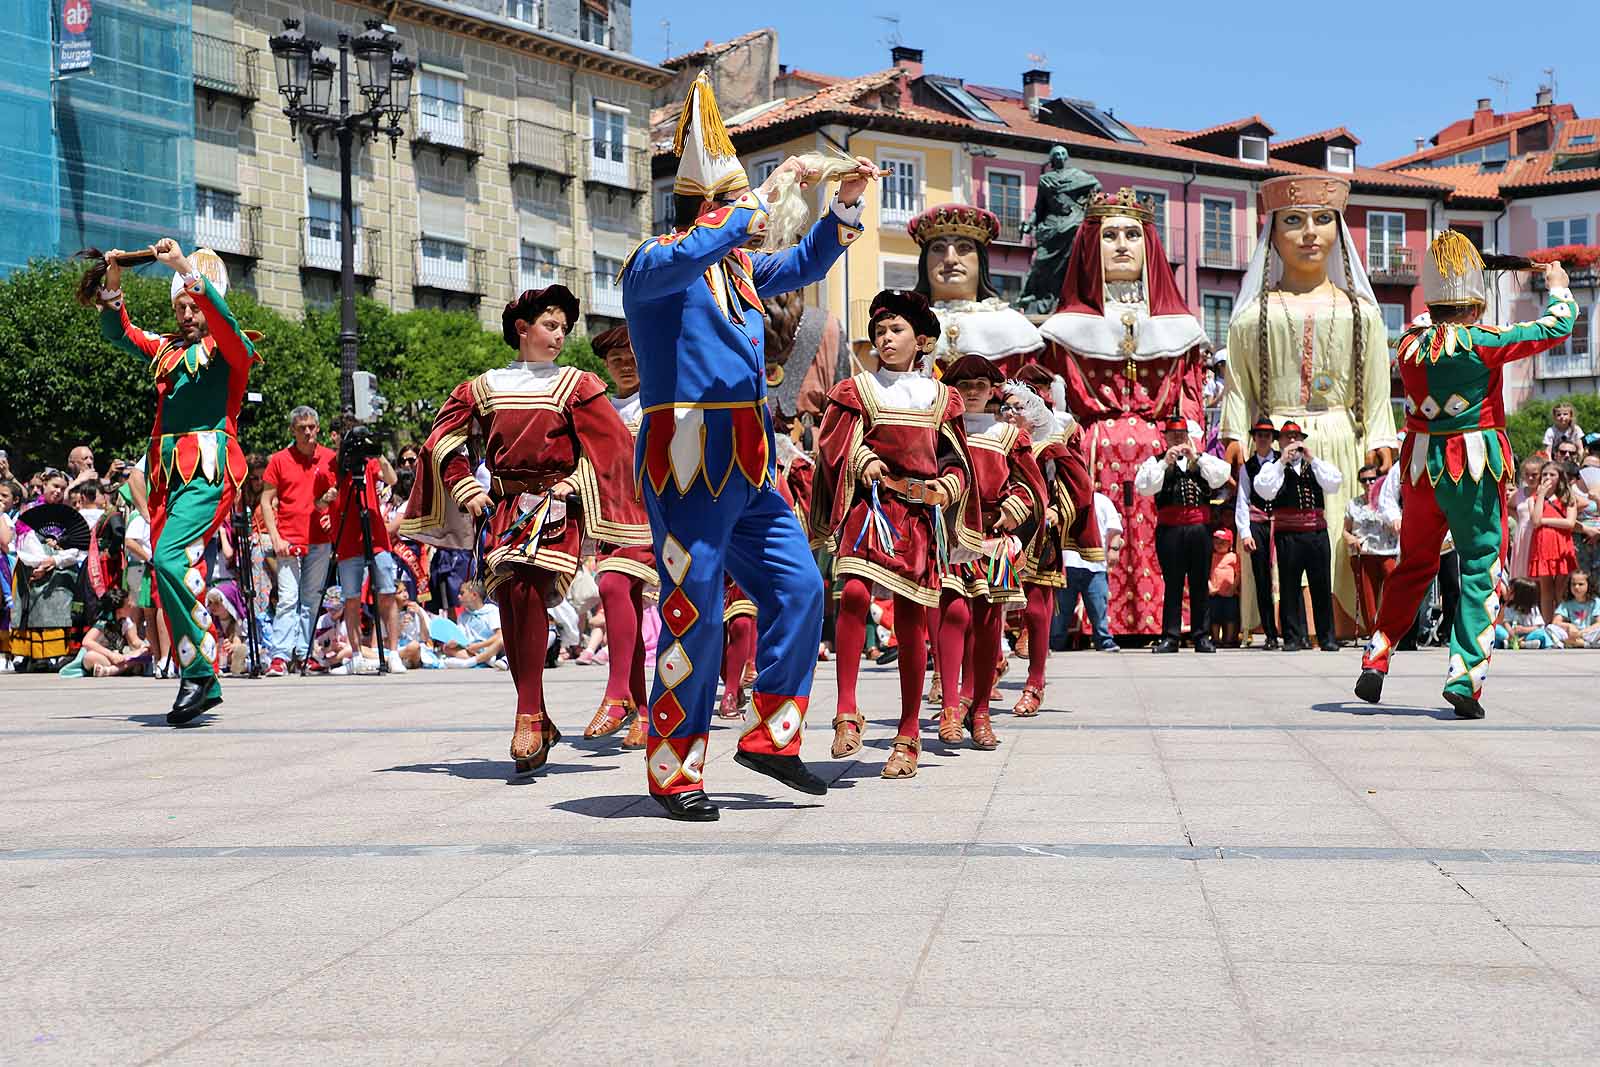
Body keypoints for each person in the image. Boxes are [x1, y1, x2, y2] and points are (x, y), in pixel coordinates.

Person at [620, 73, 873, 820]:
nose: (753, 222)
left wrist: (845, 203)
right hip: (687, 458)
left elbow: (805, 263)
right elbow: (705, 244)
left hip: (750, 460)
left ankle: (769, 736)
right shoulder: (652, 267)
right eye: (735, 205)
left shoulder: (738, 271)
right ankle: (675, 770)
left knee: (799, 589)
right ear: (709, 208)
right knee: (692, 613)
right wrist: (768, 191)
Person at [403, 285, 648, 773]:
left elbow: (615, 448)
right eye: (550, 326)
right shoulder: (483, 387)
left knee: (529, 590)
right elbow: (442, 442)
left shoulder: (576, 385)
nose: (559, 336)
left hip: (556, 507)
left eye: (563, 328)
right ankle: (537, 717)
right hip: (503, 506)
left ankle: (526, 714)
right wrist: (464, 488)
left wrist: (576, 483)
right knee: (513, 603)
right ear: (522, 329)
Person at [1357, 235, 1577, 718]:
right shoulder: (1483, 342)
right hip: (1472, 467)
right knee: (1480, 567)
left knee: (1414, 564)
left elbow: (1429, 322)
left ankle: (1376, 655)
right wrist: (1559, 287)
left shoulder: (1409, 345)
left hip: (1419, 468)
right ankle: (1464, 675)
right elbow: (1556, 326)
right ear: (1475, 302)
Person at [811, 290, 981, 780]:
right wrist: (862, 461)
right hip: (872, 506)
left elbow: (955, 458)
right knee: (855, 595)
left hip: (919, 515)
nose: (886, 339)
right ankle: (846, 709)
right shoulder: (856, 390)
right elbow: (835, 444)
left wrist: (948, 487)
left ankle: (909, 733)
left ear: (921, 340)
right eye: (880, 331)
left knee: (911, 619)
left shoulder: (942, 398)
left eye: (897, 331)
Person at [1220, 176, 1398, 639]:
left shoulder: (1364, 312)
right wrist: (1236, 434)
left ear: (1337, 230)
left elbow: (1378, 388)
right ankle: (1286, 624)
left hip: (1343, 438)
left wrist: (1381, 436)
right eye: (1294, 221)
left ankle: (1341, 621)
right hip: (1277, 440)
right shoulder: (1251, 315)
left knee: (1340, 540)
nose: (1309, 233)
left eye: (1322, 220)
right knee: (1282, 544)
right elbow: (1238, 387)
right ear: (1274, 235)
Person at [91, 240, 258, 723]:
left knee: (165, 559)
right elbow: (116, 330)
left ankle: (200, 673)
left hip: (207, 468)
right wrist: (116, 274)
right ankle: (199, 671)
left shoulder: (230, 349)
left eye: (193, 305)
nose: (187, 313)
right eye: (180, 306)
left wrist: (185, 267)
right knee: (172, 577)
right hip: (168, 477)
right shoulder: (166, 350)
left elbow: (223, 322)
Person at [1039, 188, 1210, 637]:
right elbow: (1054, 400)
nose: (1121, 245)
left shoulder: (1181, 330)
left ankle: (1168, 622)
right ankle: (1096, 623)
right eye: (1109, 235)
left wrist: (1186, 443)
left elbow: (1189, 394)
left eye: (1132, 234)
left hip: (1161, 449)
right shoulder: (1063, 330)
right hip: (1092, 452)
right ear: (1091, 247)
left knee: (1163, 534)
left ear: (1148, 245)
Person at [935, 356, 1046, 749]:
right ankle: (950, 706)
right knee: (953, 613)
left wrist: (1014, 508)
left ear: (992, 389)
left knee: (988, 624)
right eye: (964, 385)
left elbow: (1031, 486)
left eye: (980, 384)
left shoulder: (1008, 436)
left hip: (996, 543)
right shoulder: (942, 433)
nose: (972, 391)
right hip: (951, 540)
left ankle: (979, 711)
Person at [1001, 375, 1093, 713]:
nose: (1010, 413)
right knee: (987, 607)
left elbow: (1080, 488)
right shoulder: (995, 441)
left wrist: (1056, 511)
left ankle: (1034, 683)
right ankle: (979, 681)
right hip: (1000, 535)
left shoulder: (1050, 447)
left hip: (1039, 538)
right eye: (1005, 407)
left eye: (1017, 408)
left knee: (1038, 612)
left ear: (1034, 413)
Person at [581, 324, 652, 750]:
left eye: (631, 357)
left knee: (613, 586)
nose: (625, 366)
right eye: (615, 360)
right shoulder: (600, 409)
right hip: (612, 521)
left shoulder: (662, 401)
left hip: (655, 518)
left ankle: (618, 693)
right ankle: (641, 712)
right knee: (624, 608)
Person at [909, 204, 1044, 375]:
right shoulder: (905, 327)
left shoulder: (1013, 327)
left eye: (964, 248)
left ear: (981, 261)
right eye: (938, 248)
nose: (950, 259)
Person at [1134, 415, 1230, 652]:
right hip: (1170, 530)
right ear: (1165, 438)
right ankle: (1170, 636)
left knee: (1199, 583)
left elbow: (1220, 477)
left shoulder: (1202, 460)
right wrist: (1165, 462)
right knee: (1173, 583)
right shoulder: (1156, 462)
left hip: (1199, 529)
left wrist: (1196, 457)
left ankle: (1202, 636)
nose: (1178, 439)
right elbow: (1145, 486)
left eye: (1181, 435)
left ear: (1188, 436)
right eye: (1173, 435)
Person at [1252, 422, 1344, 651]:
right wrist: (1282, 461)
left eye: (1296, 437)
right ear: (1280, 442)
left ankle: (1327, 638)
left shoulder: (1315, 465)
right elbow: (1264, 490)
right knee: (1289, 587)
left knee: (1321, 586)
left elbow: (1334, 483)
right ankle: (1292, 638)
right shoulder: (1273, 467)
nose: (1292, 442)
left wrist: (1312, 459)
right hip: (1288, 535)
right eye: (1287, 438)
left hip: (1316, 533)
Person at [261, 407, 334, 676]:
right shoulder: (279, 460)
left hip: (319, 538)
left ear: (318, 428)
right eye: (302, 427)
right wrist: (275, 537)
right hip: (289, 537)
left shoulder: (329, 458)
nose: (307, 432)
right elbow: (266, 501)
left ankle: (304, 653)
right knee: (288, 598)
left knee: (312, 598)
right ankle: (280, 656)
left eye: (312, 426)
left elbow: (337, 498)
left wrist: (331, 514)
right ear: (293, 430)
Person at [327, 439, 404, 675]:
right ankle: (356, 655)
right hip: (348, 543)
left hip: (377, 539)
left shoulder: (367, 463)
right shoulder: (333, 465)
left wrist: (378, 453)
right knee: (351, 599)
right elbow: (321, 500)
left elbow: (391, 480)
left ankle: (393, 654)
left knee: (387, 595)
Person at [1054, 489, 1123, 652]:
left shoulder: (1102, 500)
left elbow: (1114, 527)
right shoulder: (1063, 499)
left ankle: (1104, 640)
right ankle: (1055, 641)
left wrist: (1114, 549)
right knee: (1062, 609)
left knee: (1099, 606)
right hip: (1067, 562)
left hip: (1095, 564)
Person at [1234, 416, 1281, 648]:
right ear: (1254, 438)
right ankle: (1270, 633)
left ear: (1273, 439)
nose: (1264, 439)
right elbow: (1242, 499)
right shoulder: (1248, 467)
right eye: (1260, 435)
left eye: (1268, 436)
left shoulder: (1282, 462)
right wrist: (1245, 532)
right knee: (1262, 579)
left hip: (1281, 523)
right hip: (1258, 522)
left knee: (1287, 578)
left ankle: (1292, 631)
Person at [1344, 463, 1398, 639]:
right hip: (1364, 553)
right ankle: (1373, 632)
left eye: (1372, 479)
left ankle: (1392, 629)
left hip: (1388, 552)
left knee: (1396, 590)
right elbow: (1345, 530)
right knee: (1368, 598)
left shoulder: (1388, 501)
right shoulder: (1354, 504)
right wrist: (1350, 538)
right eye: (1364, 480)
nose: (1369, 483)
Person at [1529, 460, 1580, 625]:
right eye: (1545, 474)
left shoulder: (1567, 497)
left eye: (1552, 474)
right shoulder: (1535, 498)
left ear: (1560, 477)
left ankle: (1560, 623)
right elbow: (1535, 520)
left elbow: (1570, 523)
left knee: (1560, 588)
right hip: (1542, 545)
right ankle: (1548, 625)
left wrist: (1544, 520)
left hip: (1561, 544)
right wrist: (1541, 495)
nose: (1548, 477)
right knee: (1545, 588)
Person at [1495, 578, 1554, 649]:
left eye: (1511, 591)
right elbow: (1505, 622)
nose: (1509, 591)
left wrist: (1523, 629)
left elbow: (1539, 627)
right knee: (1496, 629)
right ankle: (1513, 642)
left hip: (1527, 636)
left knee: (1540, 633)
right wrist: (1510, 631)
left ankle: (1523, 644)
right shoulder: (1509, 607)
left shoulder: (1533, 609)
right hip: (1510, 635)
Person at [1549, 571, 1600, 648]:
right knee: (1550, 628)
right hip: (1572, 634)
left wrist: (1582, 632)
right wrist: (1569, 626)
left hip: (1588, 633)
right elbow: (1555, 622)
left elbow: (1599, 623)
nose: (1576, 587)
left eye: (1580, 584)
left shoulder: (1595, 602)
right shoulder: (1566, 603)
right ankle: (1566, 643)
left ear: (1588, 585)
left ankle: (1583, 644)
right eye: (1573, 584)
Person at [1208, 528, 1241, 647]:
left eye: (1223, 542)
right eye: (1216, 542)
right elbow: (1205, 573)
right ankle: (1216, 639)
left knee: (1230, 617)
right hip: (1215, 593)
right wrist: (1210, 587)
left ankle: (1229, 639)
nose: (1219, 545)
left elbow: (1238, 574)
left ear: (1230, 543)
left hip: (1230, 594)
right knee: (1214, 617)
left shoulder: (1233, 557)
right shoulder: (1211, 557)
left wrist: (1233, 588)